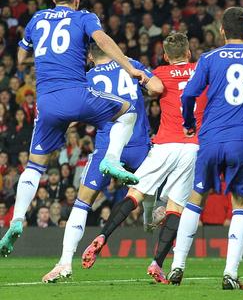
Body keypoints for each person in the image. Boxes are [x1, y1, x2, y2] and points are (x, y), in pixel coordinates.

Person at [0, 0, 150, 256]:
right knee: (127, 111)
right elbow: (102, 40)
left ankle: (17, 219)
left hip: (46, 102)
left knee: (34, 165)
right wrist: (130, 68)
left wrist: (44, 61)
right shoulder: (84, 17)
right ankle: (111, 160)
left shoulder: (36, 19)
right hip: (77, 94)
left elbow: (20, 59)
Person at [167, 7, 243, 290]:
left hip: (210, 138)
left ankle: (177, 266)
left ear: (221, 31)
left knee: (195, 199)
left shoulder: (209, 58)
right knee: (241, 205)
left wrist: (188, 122)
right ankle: (230, 274)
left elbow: (188, 94)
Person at [75, 33, 207, 284]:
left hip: (163, 144)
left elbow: (155, 88)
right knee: (175, 208)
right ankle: (157, 263)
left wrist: (143, 76)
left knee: (134, 194)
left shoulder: (161, 72)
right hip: (192, 145)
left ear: (166, 56)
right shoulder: (202, 71)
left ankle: (103, 235)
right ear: (189, 53)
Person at [41, 42, 162, 282]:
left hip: (107, 148)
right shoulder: (132, 66)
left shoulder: (86, 79)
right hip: (139, 145)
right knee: (151, 194)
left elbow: (75, 114)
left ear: (89, 56)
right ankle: (150, 224)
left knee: (82, 203)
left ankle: (64, 263)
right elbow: (157, 88)